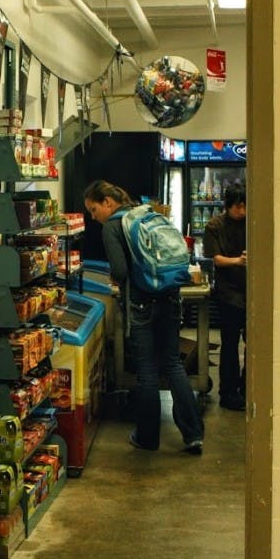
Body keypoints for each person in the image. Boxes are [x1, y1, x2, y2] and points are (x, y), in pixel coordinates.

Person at [83, 180, 204, 454]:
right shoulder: (146, 213)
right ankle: (193, 434)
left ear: (107, 202)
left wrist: (117, 280)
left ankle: (148, 438)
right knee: (173, 365)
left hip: (141, 305)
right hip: (171, 297)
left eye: (93, 210)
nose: (93, 217)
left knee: (147, 371)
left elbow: (121, 271)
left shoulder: (112, 227)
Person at [202, 183, 247, 411]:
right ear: (228, 206)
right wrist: (239, 260)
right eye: (238, 207)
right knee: (229, 344)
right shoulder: (215, 226)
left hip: (251, 290)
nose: (242, 211)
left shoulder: (252, 222)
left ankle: (248, 388)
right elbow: (217, 259)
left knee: (254, 343)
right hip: (228, 292)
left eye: (245, 206)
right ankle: (228, 392)